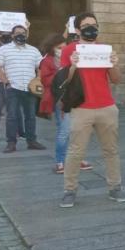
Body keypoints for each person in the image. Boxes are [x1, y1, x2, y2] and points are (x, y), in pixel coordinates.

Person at [59, 12, 125, 208]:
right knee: (75, 151)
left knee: (111, 150)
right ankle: (69, 190)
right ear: (78, 29)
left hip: (106, 106)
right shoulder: (69, 50)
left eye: (94, 24)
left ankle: (115, 187)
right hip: (82, 108)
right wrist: (72, 65)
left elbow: (115, 79)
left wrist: (115, 64)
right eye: (87, 25)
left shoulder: (104, 49)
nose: (92, 28)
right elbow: (63, 81)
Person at [38, 35, 92, 174]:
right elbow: (45, 80)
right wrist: (61, 74)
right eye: (59, 48)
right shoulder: (47, 61)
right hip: (60, 99)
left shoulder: (70, 58)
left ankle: (77, 159)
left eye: (63, 47)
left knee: (77, 130)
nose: (62, 50)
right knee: (64, 131)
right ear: (52, 48)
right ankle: (60, 162)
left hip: (75, 97)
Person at [0, 24, 45, 153]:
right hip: (13, 88)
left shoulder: (34, 50)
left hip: (29, 89)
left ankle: (31, 141)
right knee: (11, 116)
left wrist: (38, 79)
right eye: (17, 33)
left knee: (30, 116)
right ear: (12, 35)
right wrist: (6, 82)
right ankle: (11, 143)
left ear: (27, 34)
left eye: (23, 32)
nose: (21, 35)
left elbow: (41, 66)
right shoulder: (4, 50)